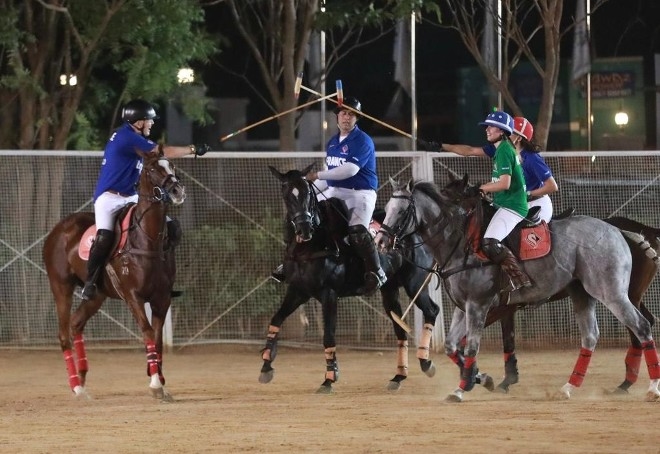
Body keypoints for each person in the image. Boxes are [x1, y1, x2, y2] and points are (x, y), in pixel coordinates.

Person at [82, 99, 210, 301]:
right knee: (105, 236)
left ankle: (162, 279)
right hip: (109, 197)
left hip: (131, 196)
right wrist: (193, 149)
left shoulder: (134, 137)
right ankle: (90, 282)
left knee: (171, 227)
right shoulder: (127, 137)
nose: (151, 124)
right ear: (138, 122)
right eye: (149, 121)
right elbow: (162, 152)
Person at [273, 96, 387, 295]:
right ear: (337, 117)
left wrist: (317, 174)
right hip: (335, 190)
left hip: (359, 193)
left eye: (352, 115)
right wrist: (309, 188)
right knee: (300, 216)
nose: (347, 118)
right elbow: (329, 175)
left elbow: (350, 170)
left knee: (357, 230)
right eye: (343, 113)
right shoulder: (333, 142)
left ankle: (376, 271)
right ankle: (288, 264)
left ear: (357, 119)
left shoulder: (362, 140)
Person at [441, 111, 532, 292]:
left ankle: (520, 280)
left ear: (502, 130)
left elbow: (505, 183)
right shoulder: (501, 148)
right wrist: (441, 146)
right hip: (503, 204)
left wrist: (480, 188)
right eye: (487, 127)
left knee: (490, 241)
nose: (487, 130)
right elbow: (469, 151)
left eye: (491, 127)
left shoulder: (505, 150)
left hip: (513, 207)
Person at [511, 116, 558, 223]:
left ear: (519, 138)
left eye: (509, 132)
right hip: (519, 204)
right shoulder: (508, 155)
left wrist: (528, 193)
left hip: (537, 206)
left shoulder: (532, 158)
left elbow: (552, 186)